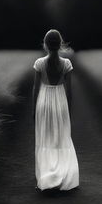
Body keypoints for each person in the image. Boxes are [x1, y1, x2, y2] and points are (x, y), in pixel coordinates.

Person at [32, 29, 79, 191]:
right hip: (60, 102)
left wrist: (33, 110)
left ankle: (46, 177)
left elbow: (35, 89)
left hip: (44, 102)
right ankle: (62, 176)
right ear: (60, 45)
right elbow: (70, 92)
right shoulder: (66, 64)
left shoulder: (39, 63)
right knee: (60, 139)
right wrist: (69, 112)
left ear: (45, 45)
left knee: (45, 139)